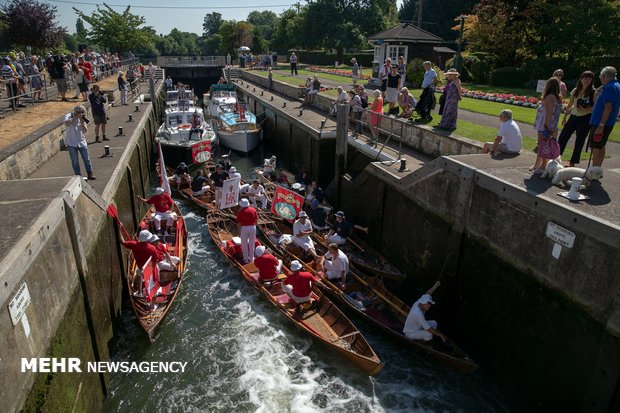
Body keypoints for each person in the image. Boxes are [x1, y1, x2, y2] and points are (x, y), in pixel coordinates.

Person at [558, 71, 595, 167]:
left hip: (585, 118)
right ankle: (556, 157)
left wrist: (586, 108)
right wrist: (565, 117)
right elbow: (570, 104)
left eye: (589, 78)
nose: (587, 80)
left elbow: (596, 107)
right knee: (563, 137)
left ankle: (572, 162)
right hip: (573, 116)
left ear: (592, 80)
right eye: (585, 78)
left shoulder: (593, 92)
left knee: (579, 141)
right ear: (581, 79)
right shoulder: (576, 90)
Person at [589, 66, 620, 168]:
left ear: (604, 76)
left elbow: (608, 107)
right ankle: (596, 169)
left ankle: (594, 170)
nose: (600, 77)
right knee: (600, 145)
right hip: (606, 122)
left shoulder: (609, 88)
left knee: (596, 147)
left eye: (600, 75)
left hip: (601, 122)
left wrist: (601, 125)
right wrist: (597, 92)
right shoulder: (615, 85)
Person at [531, 77, 562, 173]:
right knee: (546, 145)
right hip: (553, 125)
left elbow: (549, 112)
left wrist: (546, 127)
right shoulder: (558, 98)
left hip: (545, 125)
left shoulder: (549, 97)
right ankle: (538, 164)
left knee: (543, 145)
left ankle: (542, 166)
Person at [120, 229, 160, 294]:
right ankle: (154, 291)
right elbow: (156, 259)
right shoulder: (152, 248)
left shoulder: (134, 244)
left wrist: (119, 229)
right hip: (150, 268)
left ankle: (139, 292)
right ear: (148, 239)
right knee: (154, 278)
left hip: (141, 268)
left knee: (139, 274)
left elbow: (122, 241)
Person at [64, 105, 95, 180]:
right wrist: (75, 117)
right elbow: (67, 123)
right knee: (75, 161)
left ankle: (90, 173)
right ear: (76, 112)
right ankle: (78, 177)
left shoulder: (82, 119)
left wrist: (82, 123)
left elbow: (85, 131)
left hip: (81, 142)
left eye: (82, 113)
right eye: (80, 113)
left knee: (86, 159)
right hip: (71, 143)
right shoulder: (68, 116)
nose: (81, 114)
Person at [236, 198, 258, 263]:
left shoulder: (239, 212)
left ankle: (245, 259)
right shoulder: (253, 209)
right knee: (252, 243)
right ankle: (251, 259)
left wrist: (239, 233)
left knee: (244, 244)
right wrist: (254, 227)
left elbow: (239, 224)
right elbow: (256, 220)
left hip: (244, 228)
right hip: (253, 227)